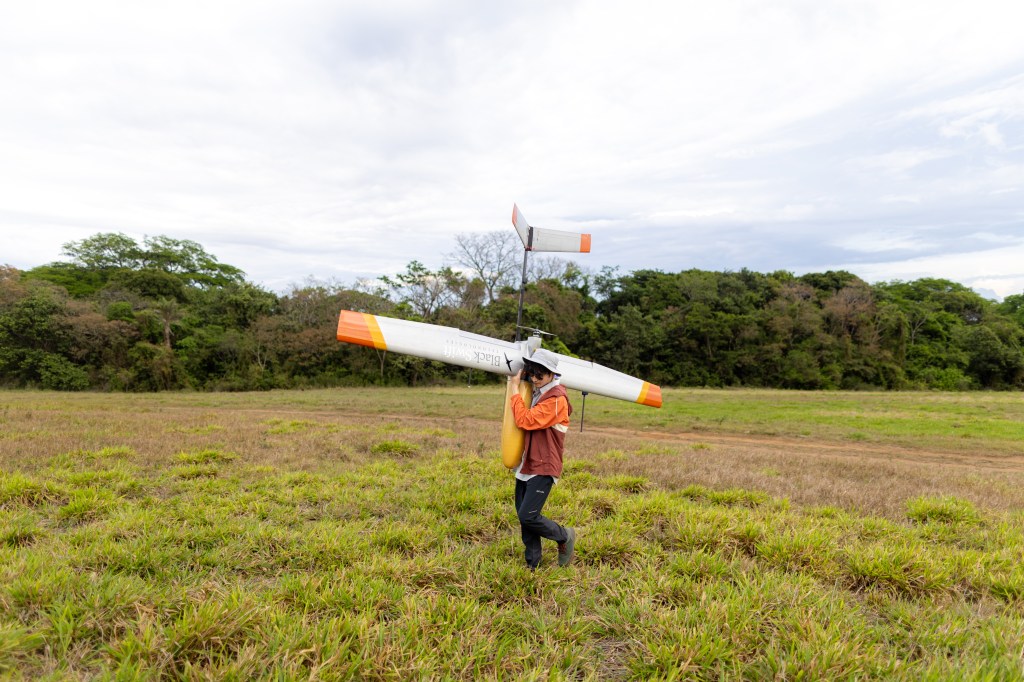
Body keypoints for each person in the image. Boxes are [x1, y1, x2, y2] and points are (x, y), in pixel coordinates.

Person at [508, 348, 576, 569]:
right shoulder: (537, 391)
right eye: (532, 373)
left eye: (540, 375)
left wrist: (515, 390)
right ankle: (533, 564)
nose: (535, 379)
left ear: (551, 375)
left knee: (529, 516)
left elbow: (526, 420)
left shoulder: (556, 399)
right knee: (523, 516)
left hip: (544, 465)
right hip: (527, 462)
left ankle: (564, 536)